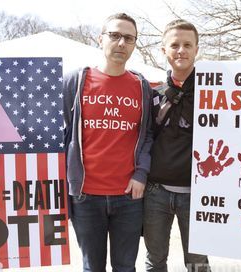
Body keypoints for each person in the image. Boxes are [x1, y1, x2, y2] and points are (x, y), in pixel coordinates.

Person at [62, 13, 153, 272]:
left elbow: (147, 135)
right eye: (114, 35)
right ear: (100, 39)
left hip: (129, 196)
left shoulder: (141, 86)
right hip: (85, 196)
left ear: (134, 44)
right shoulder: (76, 82)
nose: (121, 43)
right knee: (93, 268)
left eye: (128, 38)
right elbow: (42, 117)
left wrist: (141, 173)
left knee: (126, 267)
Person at [143, 19, 210, 272]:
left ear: (196, 49)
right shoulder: (153, 94)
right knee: (154, 261)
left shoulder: (214, 94)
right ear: (164, 50)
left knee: (197, 264)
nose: (181, 50)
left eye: (187, 45)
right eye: (174, 45)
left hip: (197, 194)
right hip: (156, 193)